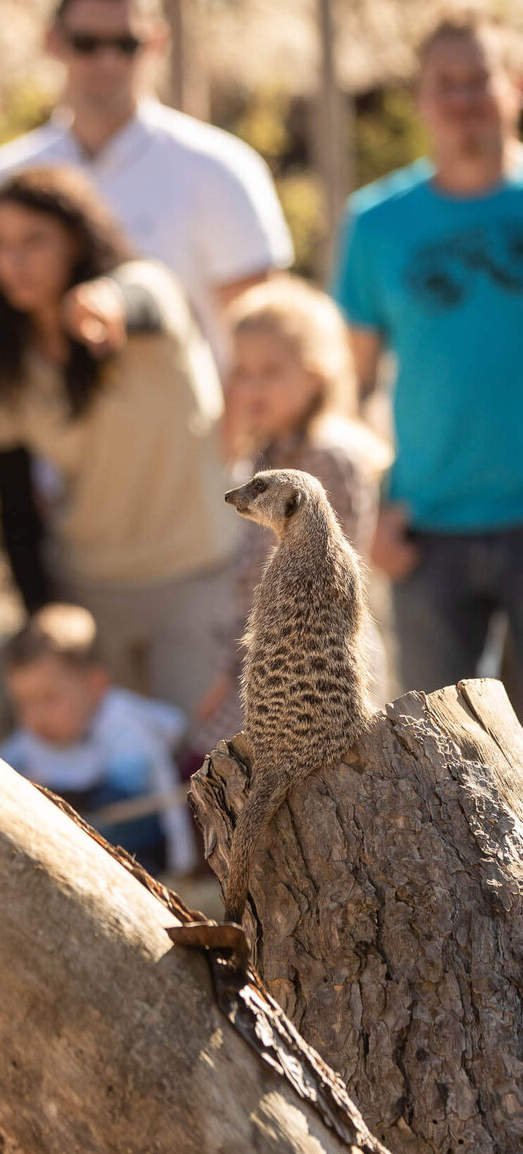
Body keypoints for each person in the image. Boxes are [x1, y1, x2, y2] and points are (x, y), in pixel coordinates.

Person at [0, 165, 239, 719]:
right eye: (0, 246)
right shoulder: (8, 358)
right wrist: (43, 615)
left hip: (194, 577)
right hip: (91, 590)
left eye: (34, 241)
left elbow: (137, 300)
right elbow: (14, 505)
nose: (14, 262)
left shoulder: (149, 290)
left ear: (74, 238)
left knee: (209, 768)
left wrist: (104, 307)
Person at [332, 11, 523, 700]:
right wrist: (370, 516)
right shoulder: (377, 222)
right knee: (443, 755)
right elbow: (348, 387)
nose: (465, 97)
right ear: (421, 97)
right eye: (447, 82)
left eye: (480, 78)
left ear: (515, 87)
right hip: (426, 533)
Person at [0, 0, 293, 363]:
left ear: (156, 43)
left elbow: (262, 333)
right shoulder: (2, 176)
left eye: (126, 44)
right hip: (36, 416)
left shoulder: (218, 167)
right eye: (87, 43)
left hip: (181, 415)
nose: (108, 61)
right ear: (53, 42)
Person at [189, 276, 392, 760]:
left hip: (314, 659)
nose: (252, 386)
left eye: (271, 371)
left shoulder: (328, 458)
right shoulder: (271, 453)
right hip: (267, 648)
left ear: (316, 374)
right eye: (242, 371)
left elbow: (327, 576)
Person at [0, 603, 196, 876]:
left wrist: (182, 865)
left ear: (96, 684)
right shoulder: (32, 737)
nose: (35, 716)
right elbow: (0, 765)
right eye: (23, 704)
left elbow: (142, 796)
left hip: (135, 843)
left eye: (49, 699)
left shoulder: (124, 725)